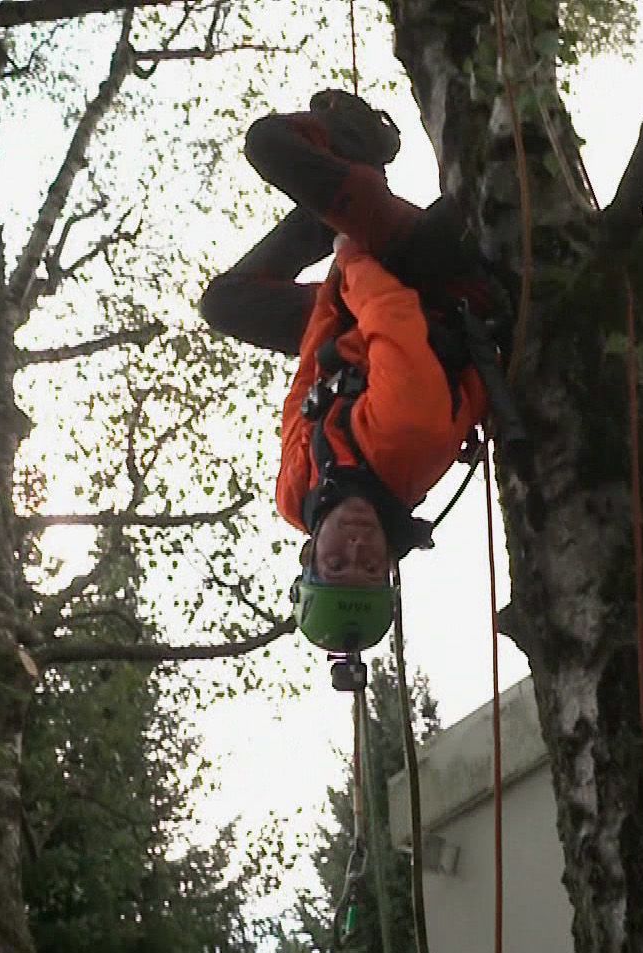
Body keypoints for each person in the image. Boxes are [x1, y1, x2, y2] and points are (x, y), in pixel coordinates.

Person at [200, 91, 493, 655]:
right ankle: (360, 143)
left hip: (352, 321)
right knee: (270, 144)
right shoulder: (409, 443)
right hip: (423, 277)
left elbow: (306, 391)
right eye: (369, 563)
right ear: (389, 562)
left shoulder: (295, 495)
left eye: (338, 562)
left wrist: (331, 303)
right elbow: (393, 317)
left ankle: (333, 197)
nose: (355, 545)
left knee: (227, 304)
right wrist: (350, 255)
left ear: (310, 555)